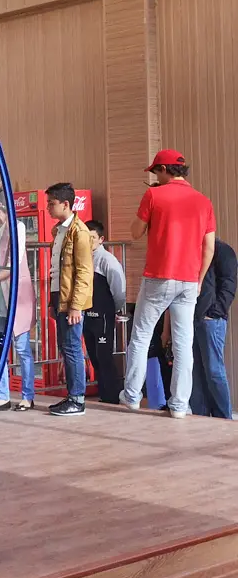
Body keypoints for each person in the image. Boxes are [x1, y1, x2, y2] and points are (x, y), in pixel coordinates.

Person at [121, 150, 215, 420]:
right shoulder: (203, 201)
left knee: (140, 336)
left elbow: (135, 231)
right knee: (184, 343)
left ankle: (132, 396)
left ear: (164, 169)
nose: (155, 177)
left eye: (156, 172)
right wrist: (198, 280)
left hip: (159, 277)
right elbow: (208, 247)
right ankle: (179, 405)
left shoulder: (153, 195)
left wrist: (151, 206)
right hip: (188, 280)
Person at [45, 183, 93, 416]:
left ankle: (77, 398)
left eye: (51, 203)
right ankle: (71, 394)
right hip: (59, 296)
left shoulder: (79, 231)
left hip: (71, 300)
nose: (47, 208)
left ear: (66, 204)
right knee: (65, 346)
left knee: (73, 347)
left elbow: (84, 271)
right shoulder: (59, 230)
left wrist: (76, 306)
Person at [0, 214, 37, 413]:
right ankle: (2, 395)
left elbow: (14, 263)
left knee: (22, 348)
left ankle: (27, 396)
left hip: (14, 294)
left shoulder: (17, 227)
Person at [191, 238, 237, 418]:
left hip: (211, 320)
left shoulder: (223, 251)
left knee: (213, 369)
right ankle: (200, 415)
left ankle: (223, 417)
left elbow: (229, 285)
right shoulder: (192, 249)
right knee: (195, 371)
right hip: (190, 318)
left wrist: (214, 312)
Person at [84, 220, 126, 404]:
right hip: (87, 315)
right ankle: (104, 393)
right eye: (86, 237)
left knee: (104, 356)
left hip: (103, 316)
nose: (89, 241)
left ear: (101, 239)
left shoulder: (107, 260)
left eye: (92, 238)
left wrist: (114, 309)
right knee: (94, 356)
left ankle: (113, 395)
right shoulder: (83, 257)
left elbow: (119, 289)